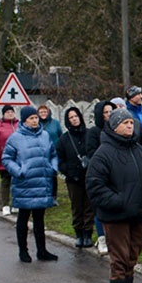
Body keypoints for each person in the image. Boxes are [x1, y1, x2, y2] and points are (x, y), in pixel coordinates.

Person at [85, 108, 142, 283]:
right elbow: (95, 186)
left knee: (132, 258)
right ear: (114, 126)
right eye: (125, 122)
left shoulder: (139, 150)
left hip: (139, 213)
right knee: (120, 260)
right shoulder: (103, 153)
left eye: (131, 122)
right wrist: (119, 202)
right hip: (116, 216)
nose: (129, 125)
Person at [3, 106, 58, 262]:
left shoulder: (45, 135)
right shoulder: (15, 138)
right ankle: (23, 251)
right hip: (25, 184)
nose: (35, 121)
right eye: (31, 118)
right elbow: (7, 158)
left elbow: (53, 154)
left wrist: (53, 168)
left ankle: (42, 251)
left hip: (42, 182)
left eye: (36, 118)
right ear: (24, 120)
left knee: (39, 219)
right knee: (23, 218)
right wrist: (19, 171)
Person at [57, 106, 96, 248]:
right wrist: (68, 171)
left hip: (89, 176)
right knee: (76, 206)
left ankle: (88, 233)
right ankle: (79, 233)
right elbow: (60, 159)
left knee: (89, 206)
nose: (74, 119)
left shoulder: (89, 134)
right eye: (71, 118)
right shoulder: (64, 139)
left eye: (76, 116)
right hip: (73, 178)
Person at [86, 99, 117, 254]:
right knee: (100, 207)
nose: (109, 114)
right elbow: (91, 152)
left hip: (117, 174)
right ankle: (102, 237)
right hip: (101, 174)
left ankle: (114, 238)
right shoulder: (94, 132)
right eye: (105, 112)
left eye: (111, 111)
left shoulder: (117, 130)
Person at [0, 106, 19, 215]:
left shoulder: (18, 125)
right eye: (8, 112)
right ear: (3, 114)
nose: (10, 114)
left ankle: (16, 203)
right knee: (6, 181)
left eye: (12, 112)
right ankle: (5, 204)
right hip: (5, 159)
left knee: (17, 182)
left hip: (18, 159)